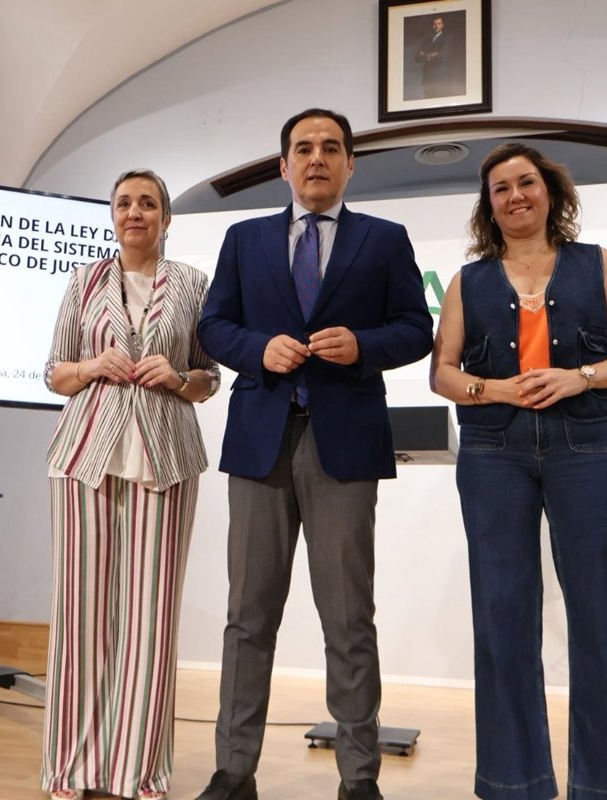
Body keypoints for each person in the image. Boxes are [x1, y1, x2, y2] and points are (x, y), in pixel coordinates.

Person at [196, 109, 434, 800]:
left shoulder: (384, 240)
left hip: (345, 446)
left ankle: (359, 777)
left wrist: (363, 346)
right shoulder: (244, 239)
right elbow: (214, 325)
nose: (317, 158)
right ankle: (233, 771)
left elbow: (415, 329)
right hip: (260, 444)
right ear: (284, 166)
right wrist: (256, 349)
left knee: (349, 618)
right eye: (303, 148)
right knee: (248, 618)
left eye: (331, 148)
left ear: (351, 164)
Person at [430, 143, 607, 800]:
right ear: (489, 205)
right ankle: (514, 783)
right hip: (493, 453)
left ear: (549, 191)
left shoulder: (597, 263)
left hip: (588, 448)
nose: (515, 196)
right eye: (500, 188)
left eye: (526, 182)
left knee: (603, 616)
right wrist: (493, 390)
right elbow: (443, 373)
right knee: (502, 615)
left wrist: (579, 376)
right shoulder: (468, 281)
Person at [41, 168, 221, 800]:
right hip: (84, 459)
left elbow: (209, 379)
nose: (135, 212)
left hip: (166, 460)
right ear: (113, 216)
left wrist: (177, 377)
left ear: (166, 219)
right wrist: (94, 364)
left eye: (148, 203)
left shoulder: (194, 284)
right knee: (81, 617)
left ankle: (138, 773)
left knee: (150, 619)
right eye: (124, 203)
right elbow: (53, 374)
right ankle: (71, 771)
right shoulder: (83, 281)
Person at [411, 15, 464, 98]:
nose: (436, 26)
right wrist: (430, 55)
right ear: (432, 25)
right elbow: (417, 58)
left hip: (441, 78)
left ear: (442, 25)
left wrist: (425, 54)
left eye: (439, 24)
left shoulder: (447, 38)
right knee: (428, 101)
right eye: (434, 24)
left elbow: (442, 56)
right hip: (428, 78)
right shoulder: (427, 40)